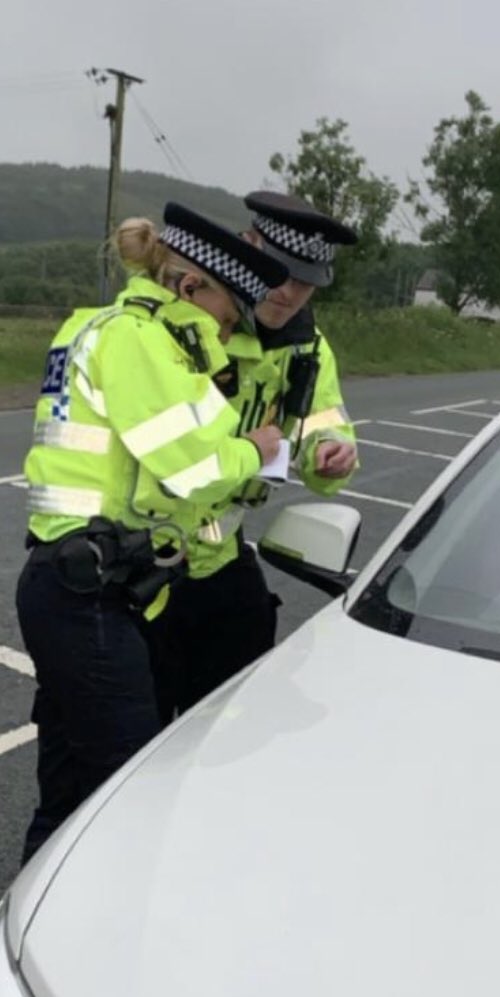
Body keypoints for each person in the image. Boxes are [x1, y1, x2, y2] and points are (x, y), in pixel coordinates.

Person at [16, 201, 289, 862]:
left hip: (77, 582)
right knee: (127, 792)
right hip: (90, 597)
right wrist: (258, 448)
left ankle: (29, 927)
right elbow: (191, 466)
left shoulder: (98, 325)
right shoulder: (144, 342)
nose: (227, 337)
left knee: (72, 791)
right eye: (227, 319)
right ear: (189, 287)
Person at [148, 191, 359, 722]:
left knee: (227, 728)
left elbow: (321, 422)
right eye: (279, 272)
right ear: (248, 247)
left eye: (306, 281)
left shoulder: (309, 348)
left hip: (218, 560)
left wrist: (330, 453)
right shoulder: (188, 320)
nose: (289, 293)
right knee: (124, 752)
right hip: (139, 558)